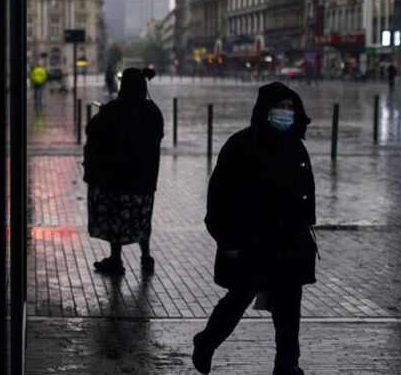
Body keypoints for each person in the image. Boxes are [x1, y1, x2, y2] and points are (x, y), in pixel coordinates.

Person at [192, 82, 317, 375]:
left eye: (290, 108)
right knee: (238, 299)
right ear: (265, 110)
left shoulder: (296, 146)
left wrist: (305, 231)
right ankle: (207, 341)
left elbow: (304, 192)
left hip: (289, 243)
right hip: (252, 242)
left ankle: (287, 366)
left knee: (288, 310)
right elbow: (219, 196)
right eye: (280, 107)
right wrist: (228, 240)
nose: (286, 113)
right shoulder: (241, 145)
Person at [83, 68, 164, 275]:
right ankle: (146, 257)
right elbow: (159, 136)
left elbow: (91, 130)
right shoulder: (153, 112)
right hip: (144, 180)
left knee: (116, 218)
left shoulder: (113, 110)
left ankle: (115, 259)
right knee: (143, 219)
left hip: (117, 179)